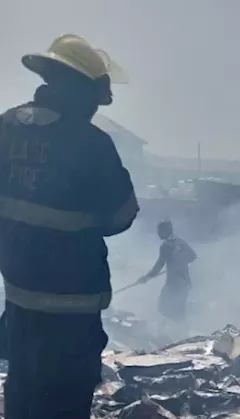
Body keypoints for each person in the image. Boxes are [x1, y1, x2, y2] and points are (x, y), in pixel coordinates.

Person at [0, 34, 138, 418]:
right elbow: (122, 216)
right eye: (94, 100)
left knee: (23, 394)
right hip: (71, 312)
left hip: (18, 301)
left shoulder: (6, 127)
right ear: (80, 92)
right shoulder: (89, 143)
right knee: (64, 403)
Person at [137, 220, 197, 336]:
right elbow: (192, 257)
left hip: (174, 284)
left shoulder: (166, 246)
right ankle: (181, 333)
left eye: (159, 231)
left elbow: (159, 266)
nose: (158, 233)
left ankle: (178, 334)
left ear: (165, 231)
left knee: (164, 306)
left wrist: (145, 278)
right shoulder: (181, 242)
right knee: (178, 309)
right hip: (184, 282)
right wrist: (180, 262)